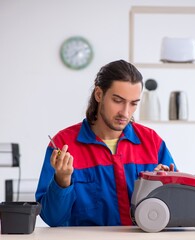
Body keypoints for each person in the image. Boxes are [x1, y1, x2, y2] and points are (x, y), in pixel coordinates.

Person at [35, 59, 177, 227]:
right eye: (117, 100)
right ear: (99, 94)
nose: (125, 112)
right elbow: (52, 219)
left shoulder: (152, 142)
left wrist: (164, 184)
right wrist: (62, 180)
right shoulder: (63, 144)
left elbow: (174, 211)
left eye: (133, 104)